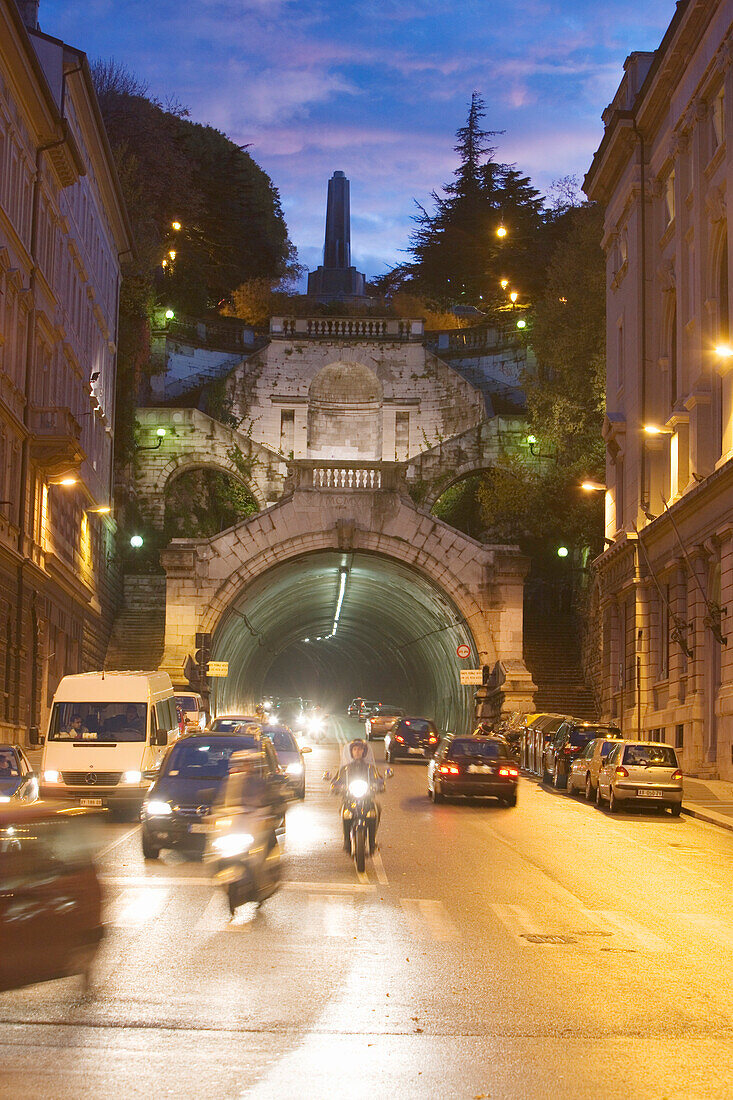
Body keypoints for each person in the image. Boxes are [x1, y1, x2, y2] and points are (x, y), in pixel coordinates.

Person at [330, 739, 384, 852]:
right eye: (354, 749)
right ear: (351, 752)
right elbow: (337, 780)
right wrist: (335, 786)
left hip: (367, 799)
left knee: (376, 809)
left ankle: (372, 841)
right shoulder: (345, 769)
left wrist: (380, 784)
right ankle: (346, 841)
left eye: (360, 749)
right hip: (350, 799)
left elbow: (378, 779)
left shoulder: (370, 768)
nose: (357, 751)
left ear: (364, 751)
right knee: (345, 812)